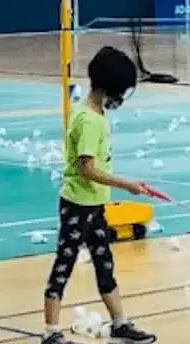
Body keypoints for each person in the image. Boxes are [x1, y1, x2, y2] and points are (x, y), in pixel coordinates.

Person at [41, 46, 156, 344]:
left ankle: (120, 323)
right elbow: (88, 168)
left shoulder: (91, 113)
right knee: (63, 264)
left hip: (94, 207)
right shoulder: (90, 121)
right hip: (77, 206)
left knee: (105, 263)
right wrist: (127, 185)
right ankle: (51, 332)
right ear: (112, 88)